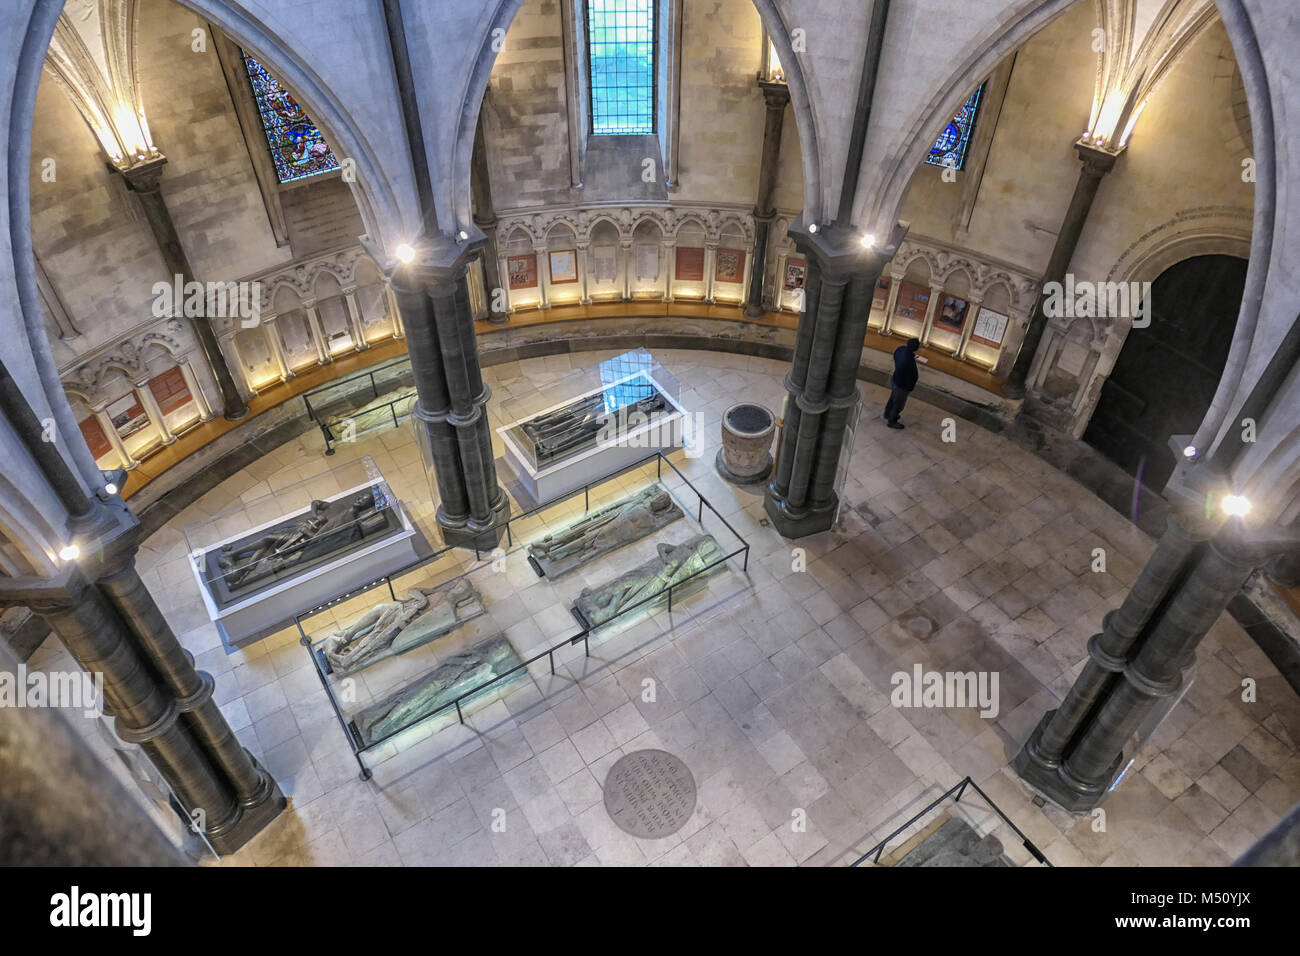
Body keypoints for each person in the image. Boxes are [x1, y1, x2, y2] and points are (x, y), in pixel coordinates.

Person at [883, 337, 921, 429]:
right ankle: (892, 421)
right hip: (902, 386)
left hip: (895, 380)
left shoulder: (901, 349)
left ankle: (887, 413)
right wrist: (909, 387)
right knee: (898, 404)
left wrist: (911, 356)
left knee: (893, 398)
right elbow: (912, 376)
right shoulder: (908, 362)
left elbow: (896, 356)